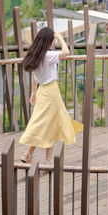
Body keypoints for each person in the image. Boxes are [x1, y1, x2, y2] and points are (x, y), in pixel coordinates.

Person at [19, 26, 82, 163]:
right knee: (45, 123)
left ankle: (47, 160)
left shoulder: (35, 55)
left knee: (49, 123)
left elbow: (34, 77)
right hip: (51, 91)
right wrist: (60, 37)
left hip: (42, 91)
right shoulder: (49, 55)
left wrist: (34, 93)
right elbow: (66, 52)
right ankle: (28, 153)